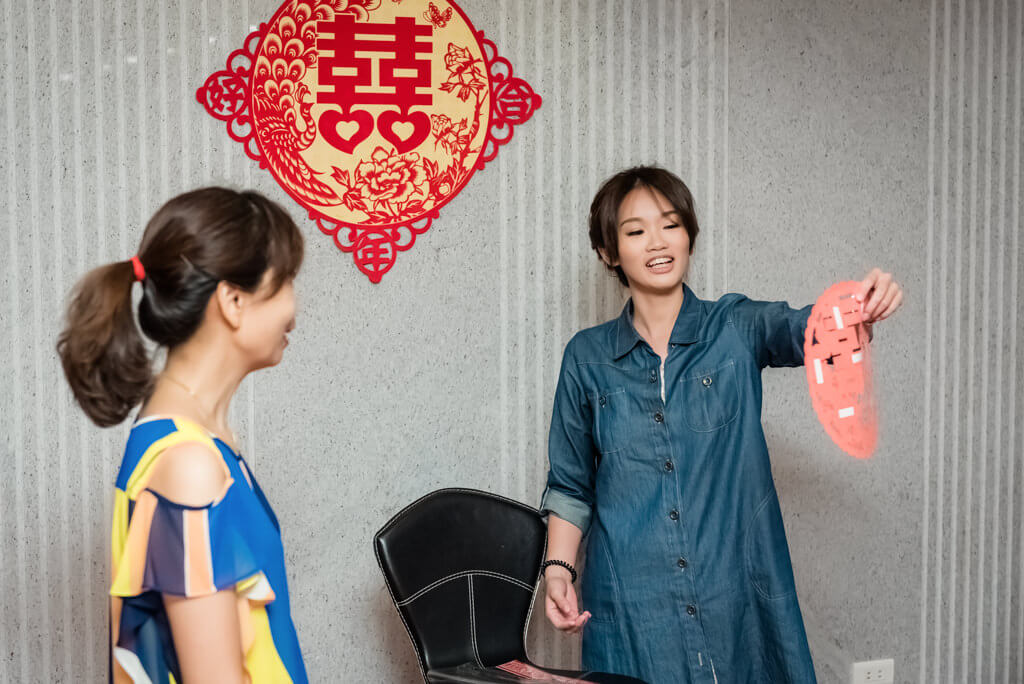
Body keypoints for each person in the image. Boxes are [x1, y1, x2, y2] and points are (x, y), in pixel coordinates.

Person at [538, 166, 903, 684]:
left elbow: (811, 327)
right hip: (633, 605)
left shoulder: (735, 325)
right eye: (636, 231)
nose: (658, 242)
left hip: (735, 594)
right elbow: (571, 485)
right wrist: (559, 570)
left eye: (670, 225)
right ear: (608, 252)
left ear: (689, 235)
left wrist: (861, 308)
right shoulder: (586, 357)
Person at [57, 187, 309, 684]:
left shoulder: (201, 444)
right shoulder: (188, 467)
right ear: (233, 301)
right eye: (285, 281)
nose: (295, 307)